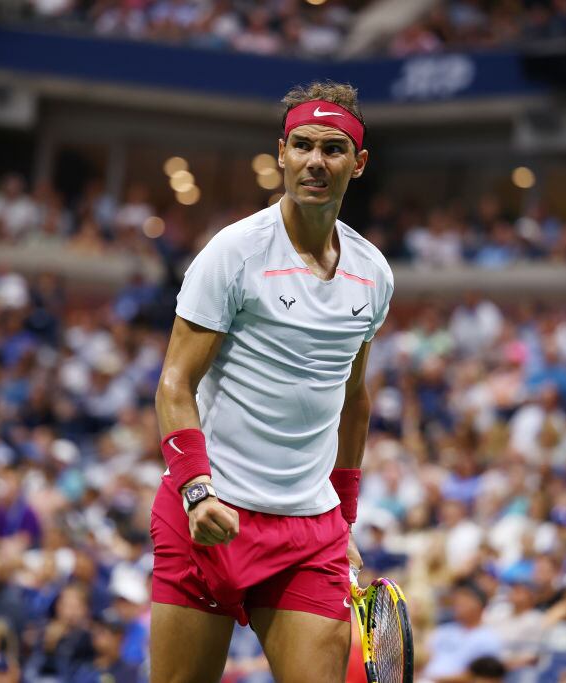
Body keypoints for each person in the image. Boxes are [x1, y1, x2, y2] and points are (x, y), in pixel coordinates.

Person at [150, 80, 392, 682]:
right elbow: (174, 382)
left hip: (309, 533)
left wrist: (346, 517)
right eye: (302, 145)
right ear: (281, 153)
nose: (316, 161)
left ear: (357, 164)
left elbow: (351, 398)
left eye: (333, 149)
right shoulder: (232, 254)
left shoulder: (373, 274)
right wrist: (196, 490)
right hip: (209, 516)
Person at [422, 580, 503, 681]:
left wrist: (436, 679)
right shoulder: (444, 630)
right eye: (457, 601)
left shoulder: (488, 638)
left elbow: (481, 677)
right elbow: (424, 659)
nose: (458, 605)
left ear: (479, 605)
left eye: (465, 601)